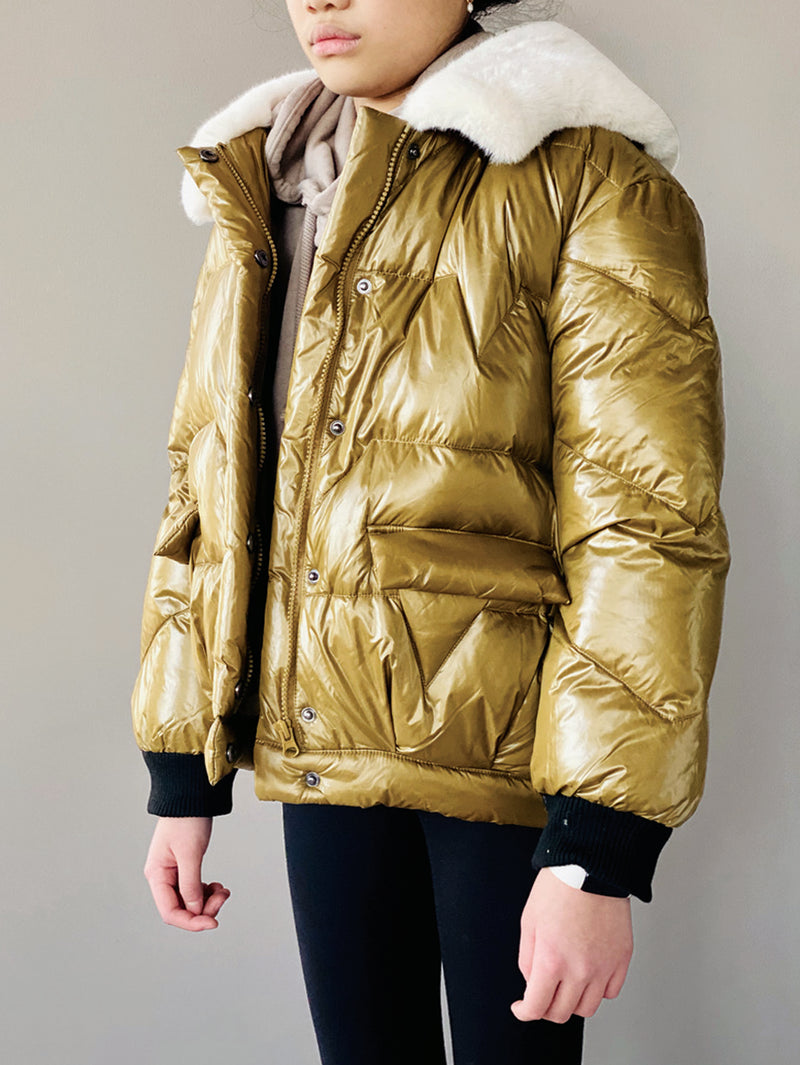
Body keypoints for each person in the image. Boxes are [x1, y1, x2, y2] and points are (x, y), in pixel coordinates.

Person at [132, 1, 730, 1062]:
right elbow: (207, 483)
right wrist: (185, 759)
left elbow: (645, 521)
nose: (321, 1)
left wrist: (594, 850)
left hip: (508, 768)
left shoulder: (587, 179)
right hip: (322, 745)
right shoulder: (267, 181)